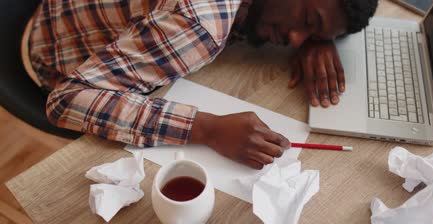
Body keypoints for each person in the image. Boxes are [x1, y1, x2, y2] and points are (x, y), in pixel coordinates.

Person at [28, 0, 377, 169]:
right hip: (54, 52)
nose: (296, 38)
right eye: (306, 21)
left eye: (311, 31)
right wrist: (206, 129)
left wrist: (321, 32)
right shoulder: (200, 25)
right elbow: (66, 100)